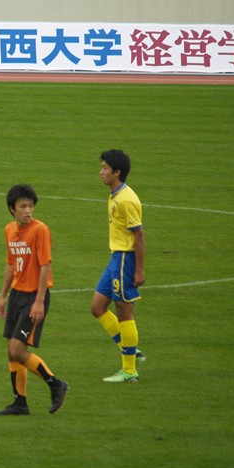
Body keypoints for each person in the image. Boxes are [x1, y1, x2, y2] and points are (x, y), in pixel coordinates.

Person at [0, 184, 68, 416]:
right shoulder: (9, 230)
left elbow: (45, 265)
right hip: (17, 295)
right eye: (23, 206)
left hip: (34, 296)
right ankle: (20, 403)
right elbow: (10, 264)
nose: (28, 211)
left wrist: (39, 301)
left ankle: (56, 384)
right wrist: (3, 296)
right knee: (11, 350)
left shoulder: (40, 230)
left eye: (31, 206)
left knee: (18, 349)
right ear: (12, 209)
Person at [91, 150, 145, 383]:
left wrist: (139, 269)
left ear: (117, 172)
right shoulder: (115, 194)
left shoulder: (126, 200)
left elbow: (139, 236)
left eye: (105, 168)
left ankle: (129, 371)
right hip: (116, 257)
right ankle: (130, 348)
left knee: (124, 311)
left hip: (125, 258)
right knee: (97, 307)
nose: (101, 172)